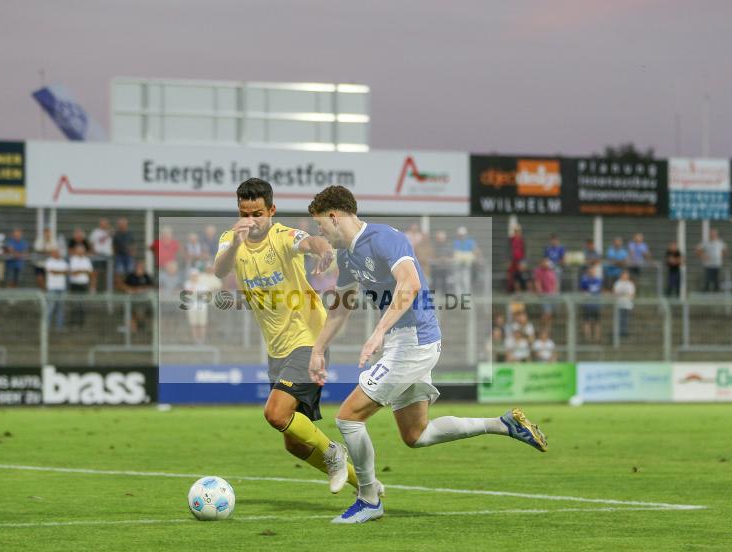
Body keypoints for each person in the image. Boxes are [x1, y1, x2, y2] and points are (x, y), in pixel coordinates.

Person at [307, 185, 547, 524]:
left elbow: (410, 285)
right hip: (401, 342)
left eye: (320, 225)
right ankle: (503, 424)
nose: (321, 233)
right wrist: (318, 348)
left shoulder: (384, 238)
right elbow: (342, 308)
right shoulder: (347, 255)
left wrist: (377, 332)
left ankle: (369, 498)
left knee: (348, 417)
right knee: (416, 434)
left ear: (334, 216)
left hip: (414, 341)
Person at [212, 178, 359, 495]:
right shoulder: (230, 240)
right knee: (293, 444)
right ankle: (366, 484)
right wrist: (237, 244)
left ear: (272, 210)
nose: (251, 221)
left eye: (258, 214)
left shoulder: (282, 236)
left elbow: (310, 243)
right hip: (277, 350)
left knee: (275, 413)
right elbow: (220, 270)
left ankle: (334, 452)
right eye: (244, 213)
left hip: (309, 340)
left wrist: (324, 252)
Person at [68, 244, 95, 329]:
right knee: (74, 304)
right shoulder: (73, 259)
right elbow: (74, 273)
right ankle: (73, 323)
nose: (80, 252)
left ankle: (81, 324)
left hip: (83, 285)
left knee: (82, 305)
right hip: (75, 284)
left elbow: (90, 273)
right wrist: (83, 271)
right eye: (78, 250)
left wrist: (81, 271)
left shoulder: (87, 260)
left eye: (81, 250)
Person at [124, 260, 154, 333]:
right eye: (139, 267)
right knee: (132, 313)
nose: (141, 268)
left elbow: (150, 286)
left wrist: (142, 289)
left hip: (144, 299)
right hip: (132, 299)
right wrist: (134, 290)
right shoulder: (131, 276)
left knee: (144, 311)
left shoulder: (146, 276)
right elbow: (125, 286)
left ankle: (145, 328)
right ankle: (134, 329)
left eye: (142, 267)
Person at [44, 248, 69, 332]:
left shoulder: (63, 262)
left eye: (58, 252)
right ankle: (46, 327)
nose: (57, 254)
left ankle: (59, 327)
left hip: (62, 287)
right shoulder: (49, 261)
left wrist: (57, 272)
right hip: (52, 288)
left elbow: (66, 272)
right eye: (55, 252)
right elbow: (52, 271)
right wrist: (61, 272)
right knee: (50, 307)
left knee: (61, 308)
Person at [579, 262, 603, 343]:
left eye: (593, 270)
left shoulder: (598, 280)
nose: (592, 271)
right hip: (587, 304)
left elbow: (600, 291)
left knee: (597, 321)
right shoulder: (584, 280)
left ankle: (597, 337)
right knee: (587, 321)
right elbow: (582, 291)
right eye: (591, 270)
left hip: (596, 304)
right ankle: (587, 337)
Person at [533, 257, 559, 328]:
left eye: (547, 262)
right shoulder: (538, 271)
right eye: (545, 262)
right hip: (544, 295)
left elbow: (555, 282)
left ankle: (548, 329)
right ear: (542, 263)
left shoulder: (552, 271)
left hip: (553, 295)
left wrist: (555, 292)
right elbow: (537, 282)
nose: (546, 263)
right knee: (547, 313)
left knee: (550, 314)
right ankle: (542, 327)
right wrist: (540, 292)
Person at [613, 270, 636, 339]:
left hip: (627, 305)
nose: (625, 276)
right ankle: (619, 333)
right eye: (624, 274)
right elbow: (615, 293)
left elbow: (632, 295)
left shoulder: (630, 284)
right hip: (619, 304)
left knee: (626, 320)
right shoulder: (617, 283)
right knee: (619, 319)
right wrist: (625, 294)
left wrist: (623, 294)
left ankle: (624, 333)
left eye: (626, 275)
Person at [114, 218, 136, 285]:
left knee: (130, 271)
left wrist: (133, 252)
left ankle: (129, 286)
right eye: (121, 224)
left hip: (128, 256)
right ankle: (120, 287)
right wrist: (115, 254)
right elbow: (113, 245)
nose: (122, 226)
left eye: (124, 224)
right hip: (119, 256)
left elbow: (133, 244)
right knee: (119, 272)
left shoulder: (130, 234)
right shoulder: (116, 234)